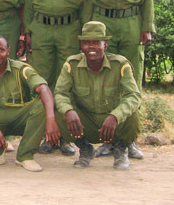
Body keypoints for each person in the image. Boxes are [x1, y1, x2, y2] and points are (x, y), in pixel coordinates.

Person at [82, 0, 154, 159]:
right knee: (106, 82)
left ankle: (129, 140)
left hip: (131, 22)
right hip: (102, 24)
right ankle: (109, 140)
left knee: (131, 80)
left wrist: (147, 26)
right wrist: (86, 32)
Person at [25, 0, 83, 156]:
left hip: (69, 29)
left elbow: (85, 0)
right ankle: (45, 136)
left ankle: (65, 138)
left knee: (66, 83)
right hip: (41, 29)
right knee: (42, 83)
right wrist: (27, 32)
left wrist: (83, 35)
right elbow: (28, 1)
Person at [54, 22, 141, 170]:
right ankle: (85, 149)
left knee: (134, 115)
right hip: (86, 122)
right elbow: (60, 93)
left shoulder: (120, 65)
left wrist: (115, 116)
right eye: (87, 43)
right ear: (81, 46)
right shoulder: (71, 64)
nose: (91, 47)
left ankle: (121, 149)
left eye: (96, 42)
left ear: (105, 45)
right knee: (60, 114)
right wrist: (69, 111)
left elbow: (134, 96)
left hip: (113, 124)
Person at [0, 35, 60, 172]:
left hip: (20, 116)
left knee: (42, 105)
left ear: (8, 51)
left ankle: (25, 156)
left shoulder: (21, 69)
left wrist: (51, 118)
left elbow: (44, 88)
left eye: (1, 50)